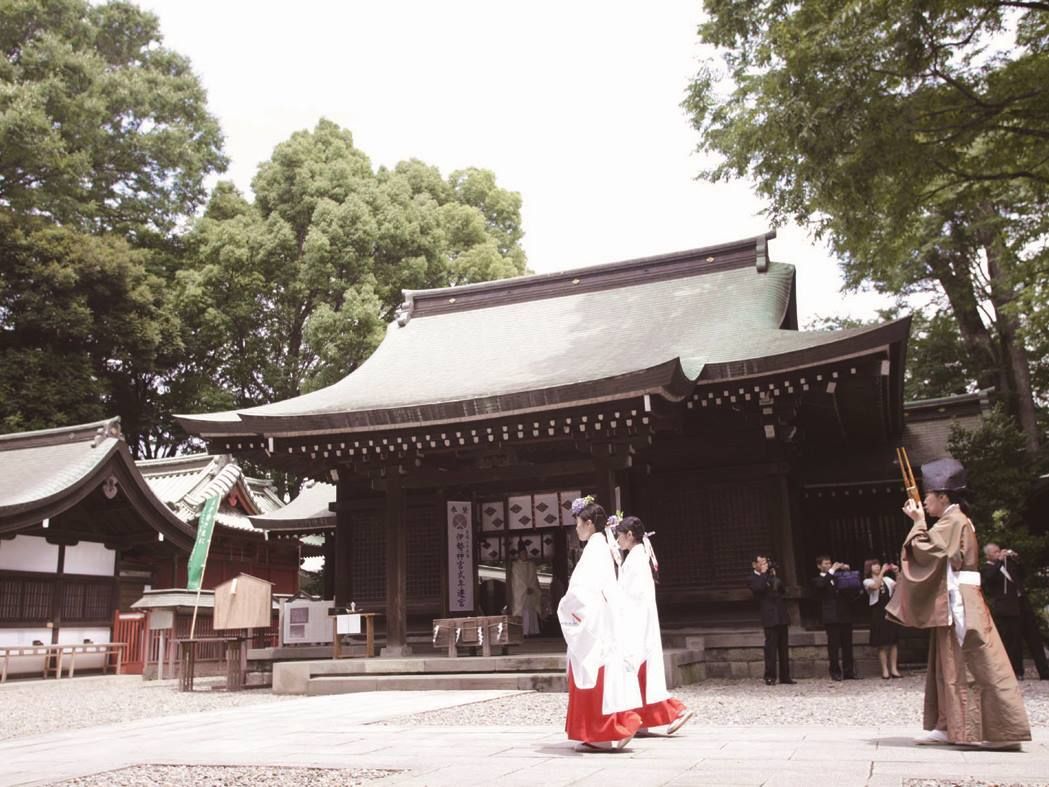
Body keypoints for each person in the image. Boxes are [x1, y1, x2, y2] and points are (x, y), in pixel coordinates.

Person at [885, 457, 1031, 750]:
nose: (924, 501)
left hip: (959, 598)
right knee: (948, 661)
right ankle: (947, 723)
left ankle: (994, 730)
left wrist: (918, 523)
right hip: (956, 596)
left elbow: (926, 550)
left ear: (943, 496)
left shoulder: (954, 520)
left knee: (970, 660)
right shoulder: (955, 520)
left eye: (928, 495)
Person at [557, 497, 642, 751]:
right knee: (604, 678)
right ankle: (615, 726)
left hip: (592, 623)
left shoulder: (594, 550)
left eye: (578, 523)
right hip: (602, 621)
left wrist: (565, 606)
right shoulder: (602, 547)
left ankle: (602, 733)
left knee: (592, 677)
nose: (576, 529)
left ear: (589, 523)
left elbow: (581, 590)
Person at [614, 515, 695, 735]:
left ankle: (675, 710)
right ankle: (642, 719)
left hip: (636, 622)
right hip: (637, 620)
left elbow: (634, 596)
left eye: (620, 536)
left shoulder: (636, 560)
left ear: (629, 535)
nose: (618, 540)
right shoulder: (637, 556)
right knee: (642, 675)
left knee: (640, 673)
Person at [981, 543, 1049, 680]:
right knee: (1013, 641)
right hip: (1007, 608)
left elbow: (1023, 574)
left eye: (999, 551)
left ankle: (1044, 671)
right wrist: (999, 562)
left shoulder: (1008, 564)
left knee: (1034, 638)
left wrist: (1016, 559)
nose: (998, 553)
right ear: (988, 555)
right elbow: (989, 578)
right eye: (995, 552)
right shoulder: (987, 568)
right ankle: (1017, 671)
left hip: (1022, 604)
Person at [750, 554, 794, 686]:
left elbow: (782, 591)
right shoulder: (753, 578)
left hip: (781, 615)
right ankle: (770, 676)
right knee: (771, 648)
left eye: (766, 562)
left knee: (783, 648)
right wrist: (764, 574)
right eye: (762, 562)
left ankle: (785, 676)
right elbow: (759, 589)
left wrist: (774, 576)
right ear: (754, 565)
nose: (765, 565)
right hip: (769, 617)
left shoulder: (770, 576)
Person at [812, 555, 856, 680]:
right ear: (819, 566)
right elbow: (821, 586)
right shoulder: (817, 579)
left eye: (829, 563)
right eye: (825, 563)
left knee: (847, 645)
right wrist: (831, 571)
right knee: (834, 646)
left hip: (844, 614)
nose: (828, 565)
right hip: (831, 616)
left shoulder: (837, 577)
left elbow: (850, 588)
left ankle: (849, 671)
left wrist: (847, 572)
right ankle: (835, 671)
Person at [862, 558, 901, 680]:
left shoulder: (887, 579)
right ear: (869, 568)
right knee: (882, 643)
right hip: (877, 612)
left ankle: (894, 669)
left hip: (889, 610)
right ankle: (885, 670)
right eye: (874, 565)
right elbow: (876, 586)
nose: (877, 567)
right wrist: (883, 572)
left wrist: (897, 573)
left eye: (878, 565)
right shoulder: (867, 581)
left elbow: (899, 586)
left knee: (893, 642)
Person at [511, 542, 542, 637]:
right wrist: (525, 589)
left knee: (531, 611)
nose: (524, 555)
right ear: (519, 555)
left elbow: (534, 579)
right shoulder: (516, 566)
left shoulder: (531, 565)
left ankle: (533, 631)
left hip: (531, 593)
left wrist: (532, 588)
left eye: (525, 553)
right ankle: (524, 632)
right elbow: (517, 580)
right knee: (524, 613)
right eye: (522, 554)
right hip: (521, 594)